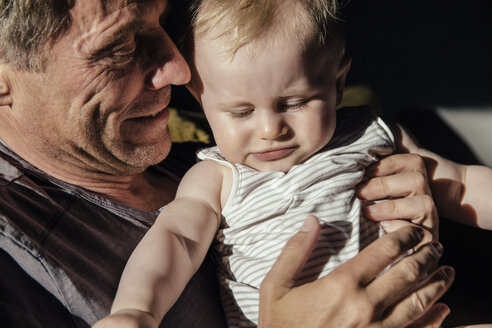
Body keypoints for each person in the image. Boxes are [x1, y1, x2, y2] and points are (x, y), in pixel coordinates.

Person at [0, 0, 456, 327]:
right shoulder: (15, 266)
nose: (181, 72)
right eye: (119, 47)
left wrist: (423, 189)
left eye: (162, 20)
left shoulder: (193, 149)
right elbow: (177, 238)